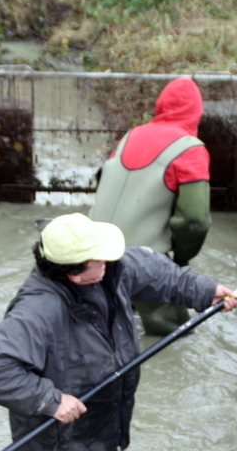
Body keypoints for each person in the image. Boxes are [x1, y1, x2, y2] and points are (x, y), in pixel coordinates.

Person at [0, 212, 237, 451]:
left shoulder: (110, 270)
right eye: (100, 260)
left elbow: (156, 272)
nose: (110, 261)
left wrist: (204, 290)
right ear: (75, 275)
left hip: (107, 410)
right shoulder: (37, 310)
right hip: (58, 434)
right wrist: (50, 400)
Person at [88, 76, 212, 335]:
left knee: (100, 330)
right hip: (144, 263)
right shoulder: (191, 150)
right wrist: (178, 265)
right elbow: (194, 220)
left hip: (91, 255)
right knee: (175, 336)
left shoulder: (130, 136)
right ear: (197, 114)